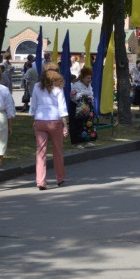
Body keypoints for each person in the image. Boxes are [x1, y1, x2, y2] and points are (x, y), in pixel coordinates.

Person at [29, 62, 69, 190]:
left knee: (40, 152)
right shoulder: (58, 87)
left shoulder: (37, 86)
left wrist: (34, 119)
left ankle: (40, 181)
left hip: (40, 119)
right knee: (57, 150)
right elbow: (62, 107)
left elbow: (33, 105)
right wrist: (65, 125)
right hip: (55, 120)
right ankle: (60, 178)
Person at [69, 67, 97, 149]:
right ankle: (77, 142)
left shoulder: (89, 85)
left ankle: (87, 141)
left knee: (88, 123)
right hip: (77, 107)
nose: (89, 80)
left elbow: (91, 94)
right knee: (77, 124)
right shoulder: (76, 85)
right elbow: (73, 96)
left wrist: (90, 97)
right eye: (88, 78)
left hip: (87, 107)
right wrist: (82, 94)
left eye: (90, 78)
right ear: (83, 77)